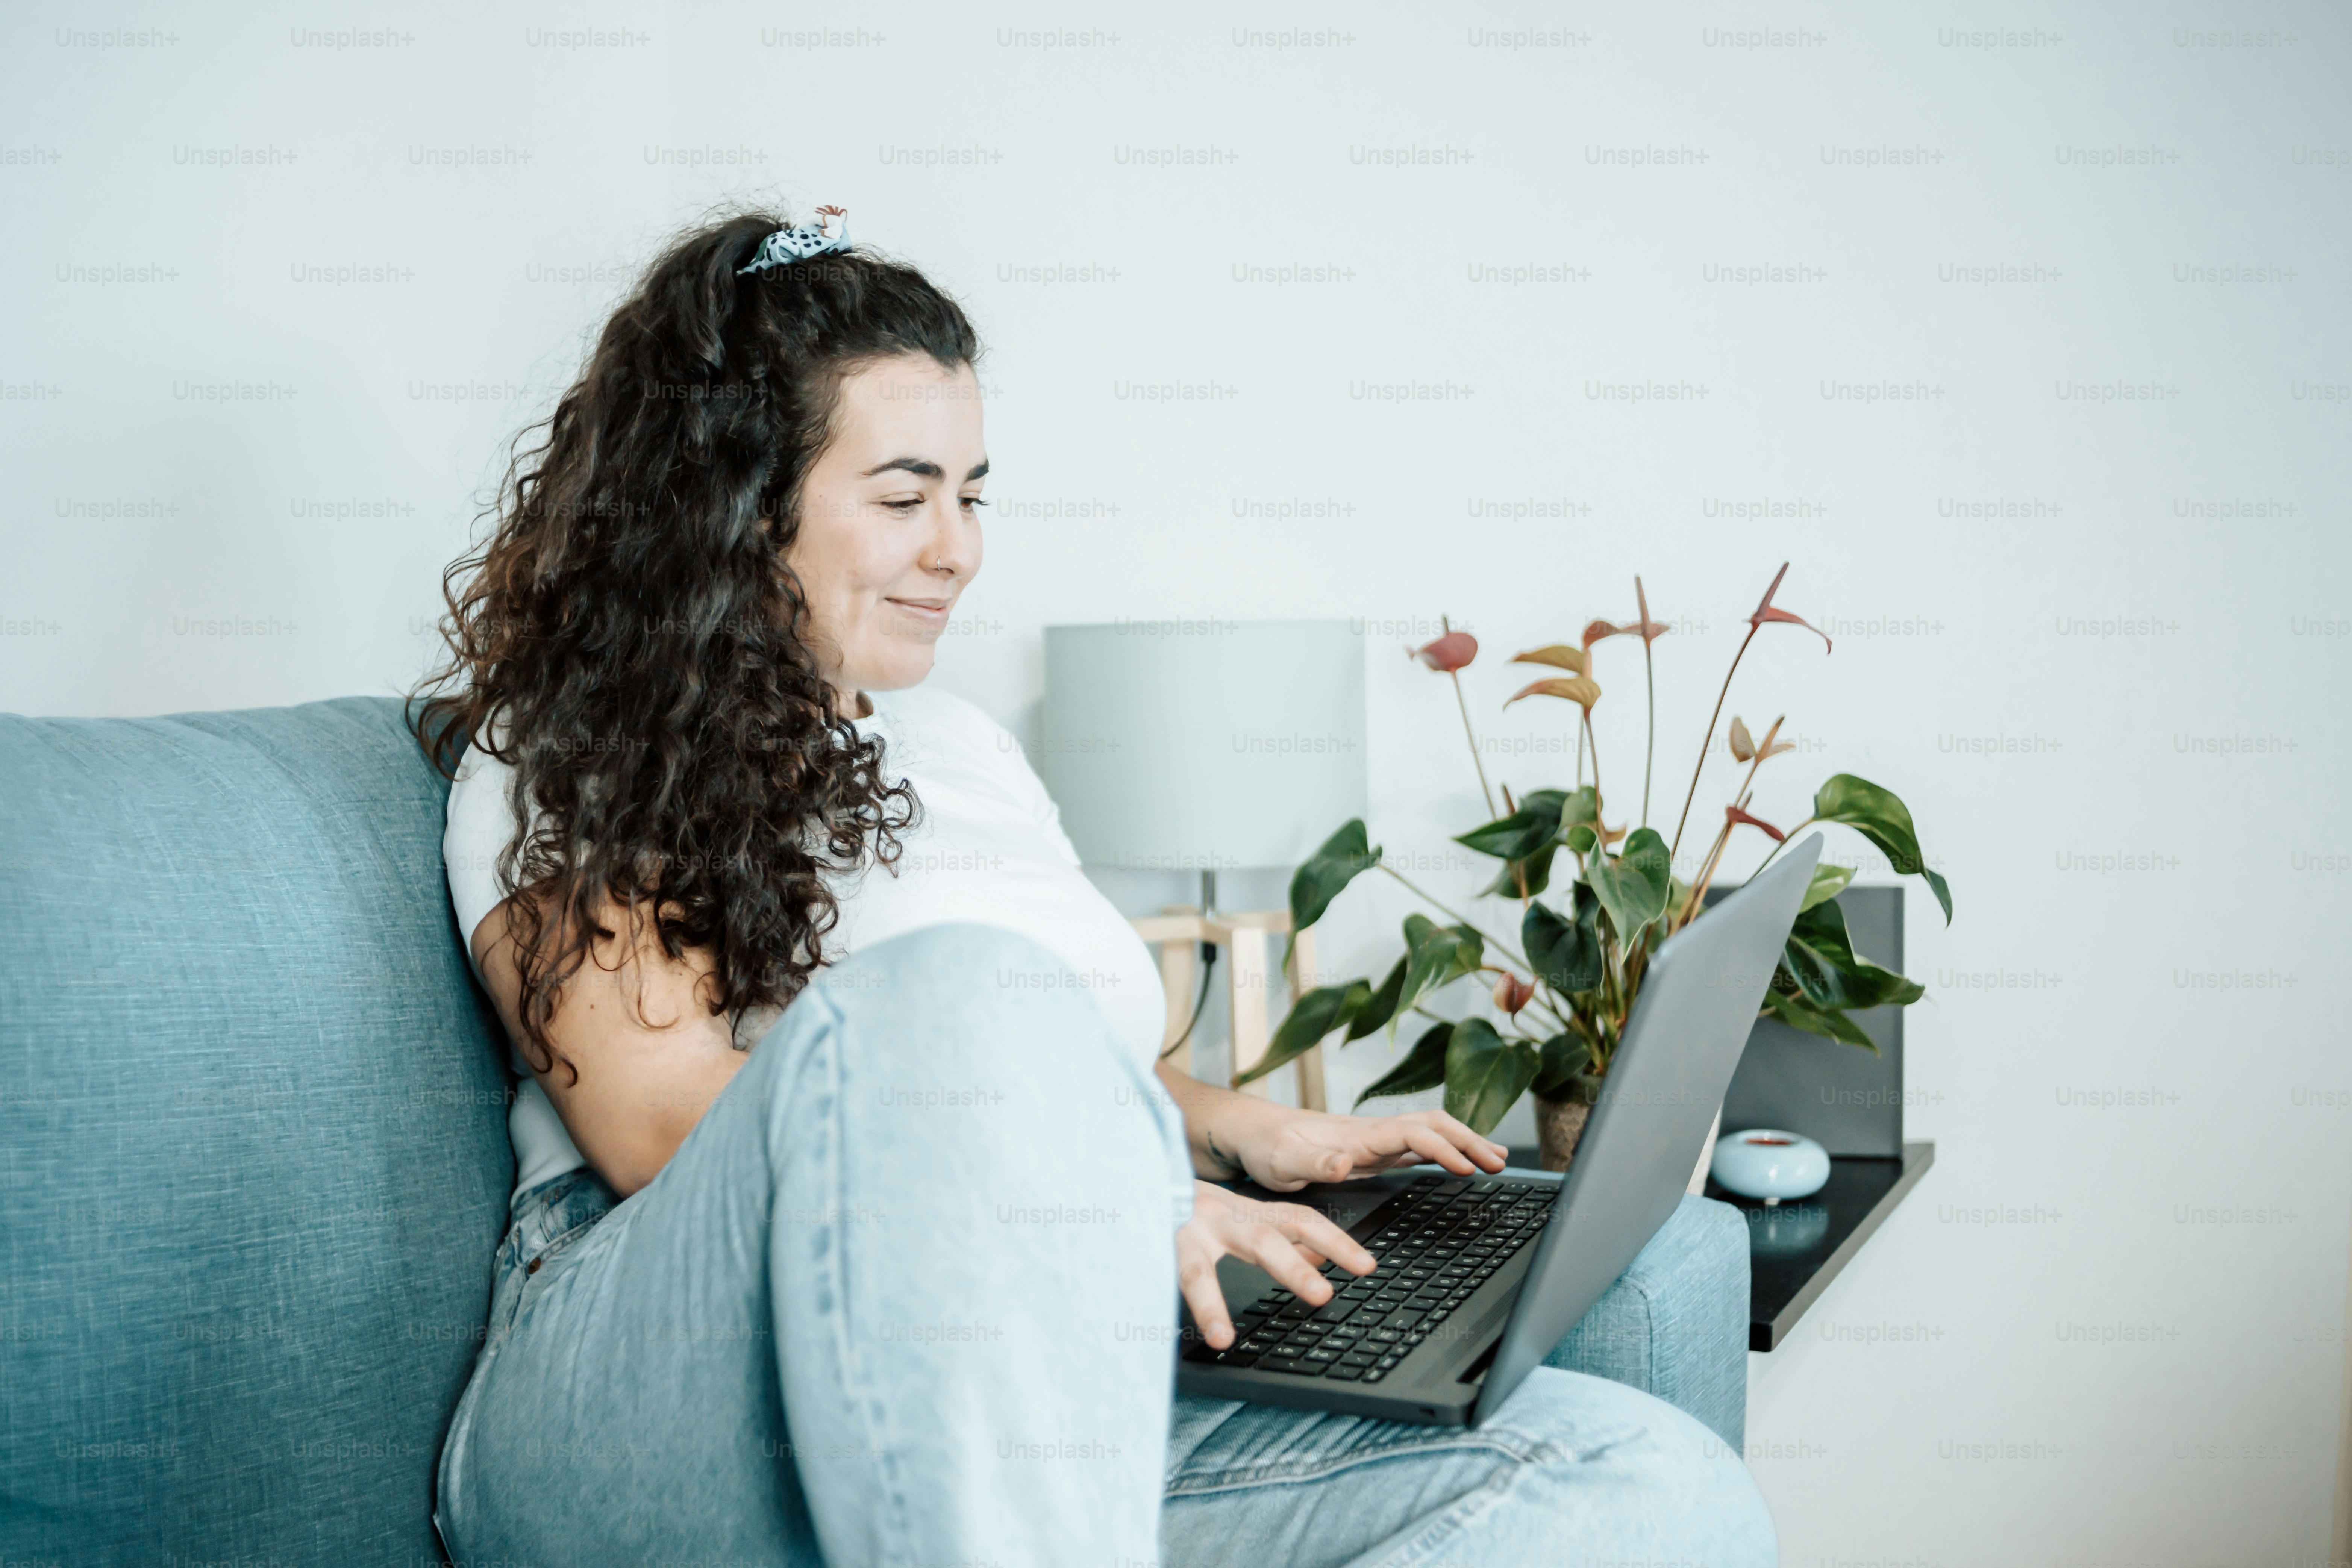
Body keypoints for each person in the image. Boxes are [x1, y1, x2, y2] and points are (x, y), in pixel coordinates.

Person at [412, 208, 1775, 1566]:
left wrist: (1228, 1130)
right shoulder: (571, 740)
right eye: (902, 497)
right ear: (730, 508)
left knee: (1654, 1486)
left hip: (1040, 1372)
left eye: (973, 492)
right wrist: (1107, 1200)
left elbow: (1050, 1075)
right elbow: (656, 1124)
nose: (960, 549)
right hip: (659, 1374)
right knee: (960, 987)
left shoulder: (960, 746)